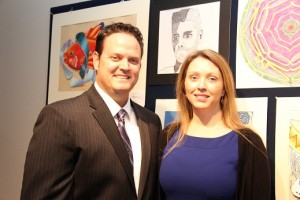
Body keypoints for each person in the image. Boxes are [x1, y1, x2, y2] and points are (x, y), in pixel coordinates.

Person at [21, 22, 162, 200]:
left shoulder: (151, 122)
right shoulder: (60, 117)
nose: (125, 66)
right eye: (116, 58)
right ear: (96, 60)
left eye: (133, 60)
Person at [158, 49, 271, 199]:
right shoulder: (168, 135)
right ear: (184, 86)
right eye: (194, 77)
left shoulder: (249, 143)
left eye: (212, 78)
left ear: (224, 88)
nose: (201, 86)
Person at [159, 8, 203, 74]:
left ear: (200, 36)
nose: (179, 43)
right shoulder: (164, 72)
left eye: (187, 36)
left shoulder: (205, 72)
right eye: (176, 37)